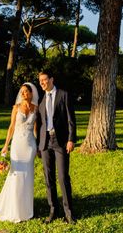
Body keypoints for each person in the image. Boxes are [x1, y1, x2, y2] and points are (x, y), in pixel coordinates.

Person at [0, 82, 39, 223]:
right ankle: (14, 208)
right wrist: (6, 145)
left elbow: (36, 129)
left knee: (28, 176)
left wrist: (38, 145)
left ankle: (26, 208)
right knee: (16, 175)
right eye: (22, 91)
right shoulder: (16, 108)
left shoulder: (36, 109)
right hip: (17, 145)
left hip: (30, 146)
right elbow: (11, 127)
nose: (23, 93)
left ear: (31, 93)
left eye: (26, 91)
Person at [37, 70, 77, 224]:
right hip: (45, 143)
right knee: (49, 178)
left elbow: (70, 119)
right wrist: (39, 145)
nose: (42, 83)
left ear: (51, 79)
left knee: (63, 177)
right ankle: (53, 210)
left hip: (60, 141)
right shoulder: (42, 100)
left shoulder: (63, 94)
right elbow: (40, 124)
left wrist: (71, 139)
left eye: (44, 80)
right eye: (40, 81)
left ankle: (69, 213)